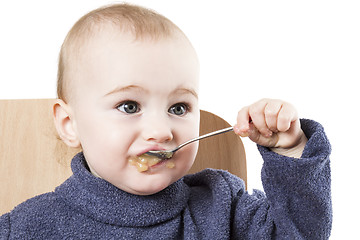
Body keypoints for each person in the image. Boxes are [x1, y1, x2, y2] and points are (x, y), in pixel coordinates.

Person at [0, 3, 332, 239]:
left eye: (178, 108)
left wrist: (291, 151)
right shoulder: (27, 227)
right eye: (129, 106)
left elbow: (301, 233)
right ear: (70, 124)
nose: (162, 131)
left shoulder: (222, 205)